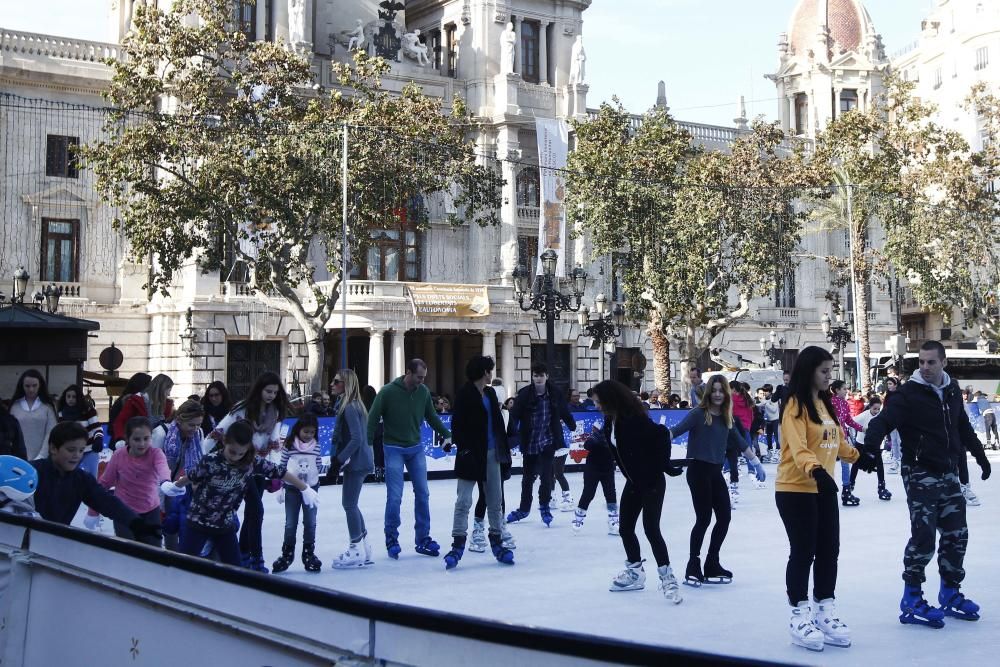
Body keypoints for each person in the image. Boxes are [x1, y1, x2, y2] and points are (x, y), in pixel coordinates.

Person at [864, 341, 991, 629]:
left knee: (957, 534)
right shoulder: (908, 394)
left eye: (930, 362)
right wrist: (869, 448)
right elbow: (883, 421)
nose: (925, 367)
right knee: (924, 536)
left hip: (948, 471)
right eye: (921, 362)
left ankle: (950, 592)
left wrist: (980, 456)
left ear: (943, 362)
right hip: (919, 471)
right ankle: (911, 597)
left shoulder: (951, 389)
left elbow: (962, 426)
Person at [776, 346, 872, 652]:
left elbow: (837, 441)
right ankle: (798, 615)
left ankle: (824, 610)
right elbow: (799, 446)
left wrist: (860, 457)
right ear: (809, 371)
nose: (829, 376)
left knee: (829, 550)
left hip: (823, 488)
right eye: (824, 371)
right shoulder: (795, 404)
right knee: (804, 551)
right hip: (796, 489)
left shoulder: (826, 403)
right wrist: (817, 472)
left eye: (831, 371)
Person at [173, 420, 318, 567]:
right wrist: (174, 486)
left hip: (225, 525)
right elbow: (191, 477)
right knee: (184, 566)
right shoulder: (211, 461)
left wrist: (304, 488)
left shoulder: (250, 462)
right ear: (225, 442)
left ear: (248, 448)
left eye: (240, 453)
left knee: (235, 570)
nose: (235, 457)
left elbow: (280, 472)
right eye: (232, 451)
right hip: (198, 522)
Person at [671, 375, 766, 587]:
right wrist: (658, 437)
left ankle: (712, 562)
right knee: (703, 519)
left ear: (726, 393)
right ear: (708, 393)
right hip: (698, 471)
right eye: (713, 390)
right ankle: (693, 564)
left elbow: (740, 442)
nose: (717, 394)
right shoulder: (698, 414)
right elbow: (676, 431)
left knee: (724, 517)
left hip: (715, 472)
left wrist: (756, 463)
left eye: (720, 390)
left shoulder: (726, 417)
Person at [592, 380, 682, 603]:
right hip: (633, 482)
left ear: (609, 400)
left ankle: (667, 577)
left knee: (651, 530)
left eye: (598, 402)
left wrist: (665, 465)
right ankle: (635, 572)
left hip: (651, 482)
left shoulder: (632, 419)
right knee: (625, 529)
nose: (596, 406)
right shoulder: (609, 421)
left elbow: (661, 434)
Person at [204, 371, 289, 572]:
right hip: (239, 466)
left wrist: (275, 472)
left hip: (259, 468)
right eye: (268, 391)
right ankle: (255, 557)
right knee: (256, 510)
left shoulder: (275, 412)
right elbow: (220, 431)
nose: (271, 395)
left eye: (275, 392)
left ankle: (244, 553)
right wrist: (202, 455)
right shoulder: (241, 409)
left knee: (253, 512)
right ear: (259, 389)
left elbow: (274, 443)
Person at [367, 359, 451, 559]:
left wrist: (447, 434)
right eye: (419, 377)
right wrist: (368, 447)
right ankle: (391, 538)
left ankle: (423, 538)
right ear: (408, 372)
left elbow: (431, 416)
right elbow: (372, 418)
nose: (422, 381)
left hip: (415, 449)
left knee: (423, 493)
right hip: (393, 448)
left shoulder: (422, 393)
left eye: (424, 377)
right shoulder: (387, 392)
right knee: (395, 496)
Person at [30, 422, 161, 543]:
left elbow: (106, 501)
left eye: (81, 450)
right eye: (71, 450)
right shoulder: (33, 472)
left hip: (55, 542)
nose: (77, 455)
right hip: (26, 540)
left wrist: (135, 523)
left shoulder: (81, 480)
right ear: (53, 448)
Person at [442, 356, 514, 569]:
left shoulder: (491, 393)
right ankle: (458, 544)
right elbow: (458, 426)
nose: (492, 374)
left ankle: (497, 541)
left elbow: (498, 424)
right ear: (484, 372)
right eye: (490, 370)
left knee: (495, 499)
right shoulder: (464, 394)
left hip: (492, 453)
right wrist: (464, 449)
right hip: (471, 455)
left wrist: (504, 451)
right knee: (464, 500)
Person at [86, 416, 184, 546]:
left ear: (151, 437)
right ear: (127, 439)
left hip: (151, 511)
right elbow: (104, 483)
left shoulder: (156, 454)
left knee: (153, 552)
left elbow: (163, 468)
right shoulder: (119, 456)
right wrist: (93, 511)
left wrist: (166, 482)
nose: (142, 444)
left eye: (146, 439)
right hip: (123, 511)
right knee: (129, 552)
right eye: (137, 439)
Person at [506, 362, 576, 526]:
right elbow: (514, 416)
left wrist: (571, 424)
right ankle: (524, 509)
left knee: (546, 476)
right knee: (528, 478)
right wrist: (510, 434)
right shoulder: (524, 394)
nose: (538, 378)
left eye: (541, 375)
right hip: (530, 441)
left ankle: (544, 506)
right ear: (532, 377)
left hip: (548, 440)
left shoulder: (555, 392)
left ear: (547, 377)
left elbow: (564, 410)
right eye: (536, 375)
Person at [326, 369, 376, 569]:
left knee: (349, 504)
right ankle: (364, 547)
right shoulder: (354, 405)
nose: (332, 384)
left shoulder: (349, 407)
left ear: (346, 385)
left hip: (357, 462)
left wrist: (338, 460)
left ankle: (355, 548)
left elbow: (356, 439)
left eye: (336, 381)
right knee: (352, 504)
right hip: (360, 460)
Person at [273, 414, 323, 573]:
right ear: (298, 429)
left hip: (311, 489)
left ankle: (308, 553)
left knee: (310, 522)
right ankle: (287, 554)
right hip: (292, 489)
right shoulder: (289, 445)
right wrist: (280, 487)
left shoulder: (316, 446)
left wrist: (338, 465)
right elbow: (281, 467)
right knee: (290, 523)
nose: (309, 435)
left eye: (312, 432)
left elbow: (319, 466)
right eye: (306, 432)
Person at [153, 399, 205, 551]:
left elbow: (201, 462)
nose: (195, 429)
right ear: (180, 419)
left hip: (187, 485)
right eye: (191, 425)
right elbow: (152, 467)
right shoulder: (161, 433)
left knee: (186, 524)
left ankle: (184, 554)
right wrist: (158, 497)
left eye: (198, 424)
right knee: (170, 524)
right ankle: (171, 554)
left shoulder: (199, 433)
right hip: (164, 485)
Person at [571, 422, 618, 536]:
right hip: (593, 468)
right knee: (588, 493)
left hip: (607, 468)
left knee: (610, 493)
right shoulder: (599, 434)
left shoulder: (619, 437)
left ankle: (613, 519)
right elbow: (587, 444)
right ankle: (579, 517)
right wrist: (598, 441)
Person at [830, 380, 867, 507]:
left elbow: (849, 421)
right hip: (830, 438)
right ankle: (826, 490)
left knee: (846, 464)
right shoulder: (830, 402)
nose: (847, 391)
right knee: (827, 463)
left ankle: (846, 490)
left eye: (846, 389)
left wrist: (862, 428)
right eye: (844, 389)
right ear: (836, 390)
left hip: (842, 438)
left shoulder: (845, 404)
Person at [112, 373, 174, 446]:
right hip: (137, 443)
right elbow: (120, 421)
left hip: (157, 447)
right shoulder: (136, 401)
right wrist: (120, 439)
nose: (169, 394)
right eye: (169, 390)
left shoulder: (167, 405)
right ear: (162, 388)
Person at [847, 397, 891, 501]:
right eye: (874, 409)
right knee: (856, 464)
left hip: (874, 445)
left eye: (878, 409)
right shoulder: (863, 415)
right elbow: (850, 422)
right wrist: (859, 431)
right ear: (870, 407)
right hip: (861, 444)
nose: (876, 411)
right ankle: (850, 485)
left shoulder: (880, 416)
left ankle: (881, 487)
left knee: (879, 464)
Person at [9, 369, 58, 460]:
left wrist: (41, 456)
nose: (31, 389)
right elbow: (11, 434)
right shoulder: (14, 406)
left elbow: (51, 432)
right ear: (22, 386)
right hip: (18, 459)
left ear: (40, 385)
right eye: (27, 386)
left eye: (34, 385)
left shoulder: (48, 406)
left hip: (43, 459)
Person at [57, 384, 103, 477]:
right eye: (68, 396)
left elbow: (97, 427)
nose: (70, 399)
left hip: (89, 449)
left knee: (91, 477)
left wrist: (98, 439)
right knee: (67, 476)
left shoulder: (88, 410)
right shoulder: (61, 413)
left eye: (74, 397)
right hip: (70, 450)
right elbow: (60, 431)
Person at [109, 372, 152, 442]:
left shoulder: (135, 400)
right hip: (123, 442)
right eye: (149, 386)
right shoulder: (129, 401)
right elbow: (116, 424)